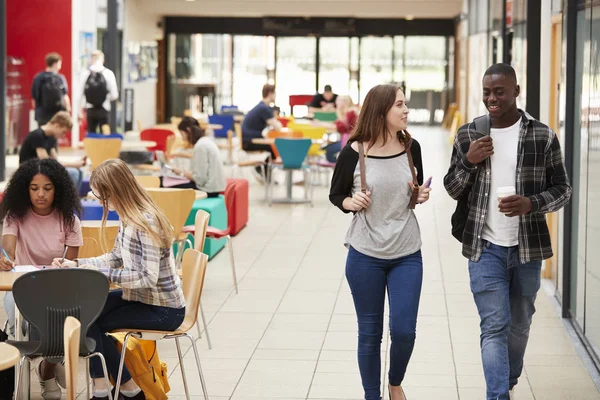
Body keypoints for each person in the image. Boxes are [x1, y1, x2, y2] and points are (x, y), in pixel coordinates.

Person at [443, 63, 572, 400]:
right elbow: (452, 189)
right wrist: (468, 162)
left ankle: (509, 378)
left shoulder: (542, 136)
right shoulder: (469, 134)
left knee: (520, 323)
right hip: (484, 247)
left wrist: (532, 203)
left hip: (527, 249)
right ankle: (498, 394)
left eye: (499, 91)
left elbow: (563, 189)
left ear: (516, 91)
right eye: (487, 92)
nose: (492, 98)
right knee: (494, 325)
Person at [329, 84, 432, 400]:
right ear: (382, 110)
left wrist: (418, 195)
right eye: (399, 104)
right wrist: (352, 202)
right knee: (370, 334)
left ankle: (395, 381)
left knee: (404, 331)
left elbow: (410, 193)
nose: (406, 110)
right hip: (365, 254)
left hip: (406, 252)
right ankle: (371, 396)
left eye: (405, 104)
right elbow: (336, 195)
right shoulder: (353, 151)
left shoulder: (411, 147)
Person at [53, 159, 186, 400]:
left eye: (101, 195)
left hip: (164, 310)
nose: (99, 200)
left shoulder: (145, 223)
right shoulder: (128, 217)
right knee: (84, 311)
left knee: (91, 318)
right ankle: (124, 389)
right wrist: (77, 264)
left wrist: (98, 275)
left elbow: (147, 277)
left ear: (114, 191)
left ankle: (110, 390)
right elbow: (115, 257)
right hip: (141, 300)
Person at [0, 158, 83, 400]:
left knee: (60, 321)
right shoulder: (15, 216)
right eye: (34, 188)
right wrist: (5, 259)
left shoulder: (70, 220)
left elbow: (71, 265)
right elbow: (8, 252)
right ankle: (38, 366)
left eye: (47, 188)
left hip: (56, 286)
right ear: (25, 189)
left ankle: (47, 368)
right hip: (20, 286)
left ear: (58, 188)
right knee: (19, 325)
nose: (40, 194)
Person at [18, 111, 85, 190]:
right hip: (31, 171)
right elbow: (47, 162)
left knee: (79, 172)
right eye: (63, 132)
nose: (63, 135)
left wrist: (76, 163)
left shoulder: (51, 137)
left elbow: (55, 161)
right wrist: (73, 164)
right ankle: (66, 200)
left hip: (42, 168)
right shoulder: (38, 135)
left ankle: (73, 199)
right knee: (73, 173)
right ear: (57, 126)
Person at [167, 122, 227, 196]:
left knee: (168, 187)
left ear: (188, 131)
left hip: (208, 190)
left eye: (182, 134)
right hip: (214, 187)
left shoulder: (200, 147)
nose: (182, 138)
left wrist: (181, 173)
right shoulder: (205, 141)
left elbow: (200, 180)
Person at [241, 84, 283, 180]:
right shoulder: (264, 109)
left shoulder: (261, 106)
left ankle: (263, 170)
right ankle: (262, 170)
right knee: (274, 146)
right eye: (275, 94)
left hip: (247, 140)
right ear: (270, 93)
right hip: (249, 142)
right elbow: (278, 127)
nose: (275, 96)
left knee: (272, 146)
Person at [78, 50, 119, 133]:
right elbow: (114, 95)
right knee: (105, 134)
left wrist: (79, 110)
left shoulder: (85, 73)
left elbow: (79, 94)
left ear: (91, 60)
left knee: (91, 134)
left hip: (90, 109)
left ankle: (91, 146)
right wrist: (106, 98)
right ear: (102, 60)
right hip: (104, 108)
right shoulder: (108, 73)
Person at [31, 52, 71, 127]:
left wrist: (37, 112)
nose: (60, 66)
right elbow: (65, 97)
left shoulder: (38, 77)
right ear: (55, 64)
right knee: (55, 136)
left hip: (42, 114)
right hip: (57, 114)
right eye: (60, 64)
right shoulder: (60, 78)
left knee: (43, 135)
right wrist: (68, 111)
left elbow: (34, 98)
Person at [322, 95, 359, 162]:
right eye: (338, 100)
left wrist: (320, 124)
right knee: (328, 148)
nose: (338, 102)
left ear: (347, 102)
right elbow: (336, 124)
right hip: (348, 140)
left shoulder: (351, 112)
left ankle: (339, 166)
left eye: (341, 100)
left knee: (329, 150)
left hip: (351, 141)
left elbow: (341, 127)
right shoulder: (345, 113)